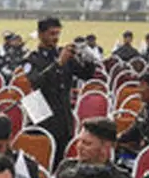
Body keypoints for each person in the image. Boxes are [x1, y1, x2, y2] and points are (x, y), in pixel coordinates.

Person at [24, 18, 96, 157]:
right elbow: (36, 82)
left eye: (58, 34)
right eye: (52, 34)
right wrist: (58, 63)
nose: (56, 38)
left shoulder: (64, 54)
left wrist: (88, 59)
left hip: (63, 117)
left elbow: (86, 75)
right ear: (40, 34)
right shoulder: (32, 58)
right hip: (42, 115)